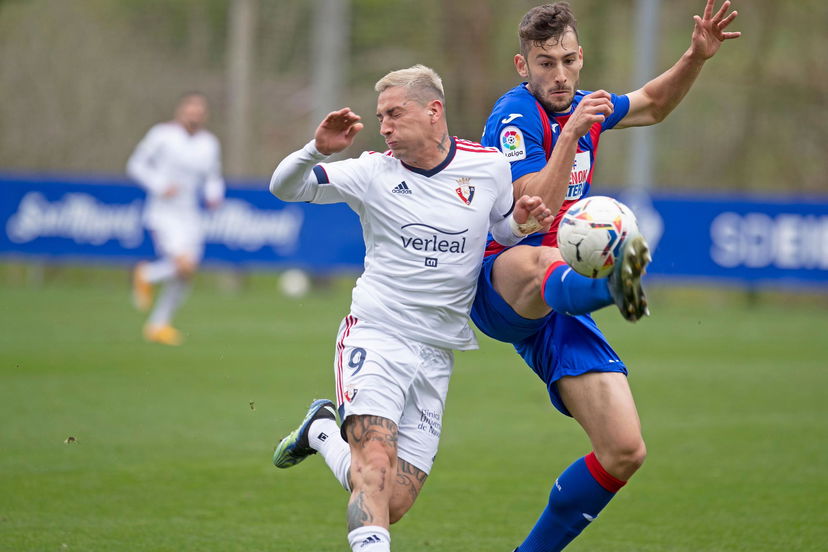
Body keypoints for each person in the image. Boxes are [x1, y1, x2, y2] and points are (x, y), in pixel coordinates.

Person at [470, 2, 740, 550]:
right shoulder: (515, 116)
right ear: (523, 67)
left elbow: (654, 104)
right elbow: (533, 208)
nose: (560, 74)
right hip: (502, 279)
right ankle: (609, 286)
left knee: (624, 449)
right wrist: (570, 135)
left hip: (556, 305)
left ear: (581, 57)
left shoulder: (585, 102)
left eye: (568, 60)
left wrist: (695, 56)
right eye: (545, 63)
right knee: (544, 256)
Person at [268, 65, 554, 552]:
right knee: (374, 469)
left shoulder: (487, 166)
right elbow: (284, 187)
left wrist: (523, 224)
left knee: (392, 503)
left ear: (434, 111)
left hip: (437, 351)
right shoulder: (372, 172)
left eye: (395, 113)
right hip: (376, 335)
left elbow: (503, 231)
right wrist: (316, 149)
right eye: (381, 116)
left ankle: (320, 430)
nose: (385, 126)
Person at [127, 92, 224, 346]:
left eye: (199, 110)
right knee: (184, 266)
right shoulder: (161, 135)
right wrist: (159, 185)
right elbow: (136, 165)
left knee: (185, 274)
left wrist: (215, 194)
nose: (195, 114)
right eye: (190, 109)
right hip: (164, 212)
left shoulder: (209, 143)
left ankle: (158, 325)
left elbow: (213, 175)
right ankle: (146, 275)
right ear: (180, 111)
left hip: (190, 214)